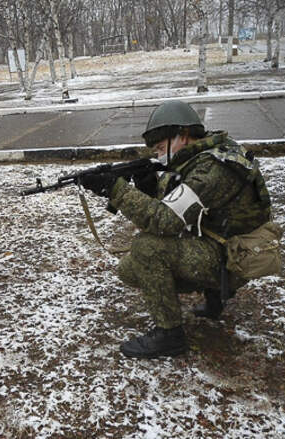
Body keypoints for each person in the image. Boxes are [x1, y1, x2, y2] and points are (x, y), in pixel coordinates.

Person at [80, 100, 273, 359]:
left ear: (182, 135)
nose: (159, 155)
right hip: (220, 243)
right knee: (129, 269)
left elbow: (165, 221)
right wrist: (148, 187)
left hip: (235, 257)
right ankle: (215, 297)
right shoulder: (197, 159)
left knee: (146, 249)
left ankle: (169, 335)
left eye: (161, 147)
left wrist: (116, 190)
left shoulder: (212, 168)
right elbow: (177, 210)